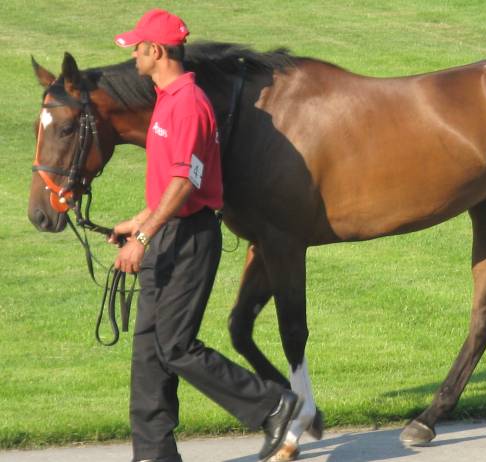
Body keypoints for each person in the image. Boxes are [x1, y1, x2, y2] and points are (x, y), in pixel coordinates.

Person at [109, 9, 301, 462]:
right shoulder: (168, 99)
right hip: (167, 231)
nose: (133, 55)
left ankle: (272, 404)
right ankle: (154, 454)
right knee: (149, 351)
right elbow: (174, 181)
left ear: (156, 51)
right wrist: (139, 221)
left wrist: (143, 237)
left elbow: (186, 182)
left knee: (176, 346)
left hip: (190, 238)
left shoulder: (189, 105)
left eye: (137, 48)